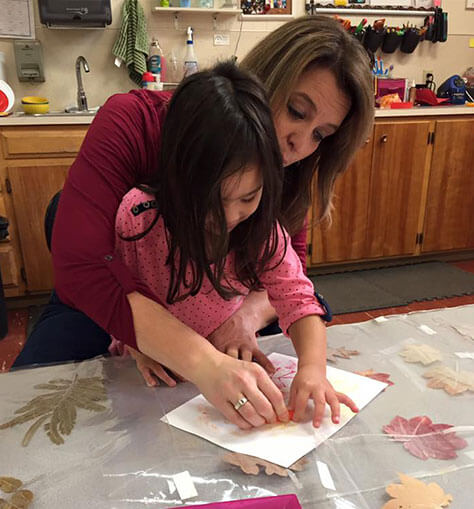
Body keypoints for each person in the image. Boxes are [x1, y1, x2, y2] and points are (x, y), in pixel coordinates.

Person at [13, 16, 373, 429]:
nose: (300, 144)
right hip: (106, 305)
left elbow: (292, 283)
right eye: (296, 111)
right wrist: (181, 353)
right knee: (32, 403)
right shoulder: (137, 170)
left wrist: (242, 322)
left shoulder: (281, 191)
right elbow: (87, 269)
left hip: (219, 313)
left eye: (321, 135)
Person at [111, 62, 358, 429]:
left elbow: (300, 300)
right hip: (152, 370)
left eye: (247, 197)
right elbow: (115, 298)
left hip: (225, 364)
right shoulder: (138, 217)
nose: (228, 216)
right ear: (178, 175)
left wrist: (312, 369)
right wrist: (136, 347)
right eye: (212, 200)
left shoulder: (262, 228)